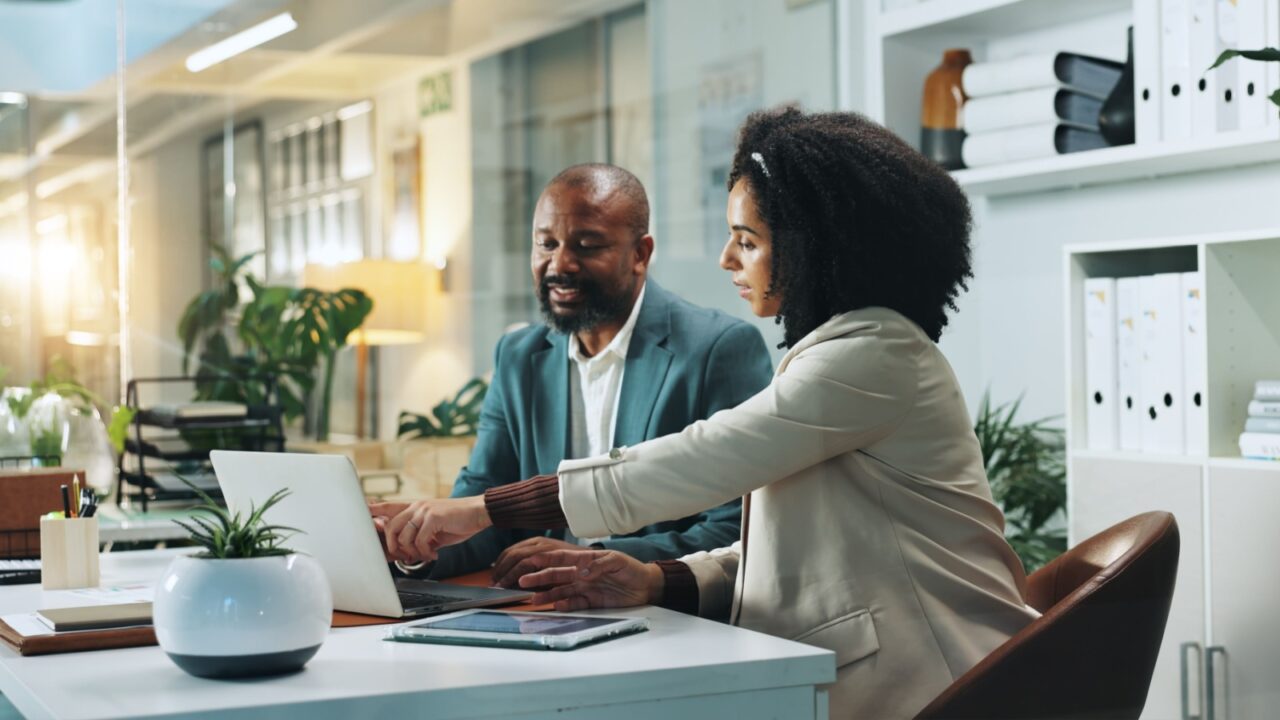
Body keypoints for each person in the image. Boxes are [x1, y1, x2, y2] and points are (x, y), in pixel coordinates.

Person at [371, 108, 1038, 718]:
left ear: (814, 248)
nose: (725, 260)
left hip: (943, 682)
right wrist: (655, 579)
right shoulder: (838, 352)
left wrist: (487, 509)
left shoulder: (876, 355)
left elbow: (694, 461)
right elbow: (784, 555)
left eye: (746, 242)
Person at [394, 163, 773, 580]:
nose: (561, 264)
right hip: (537, 613)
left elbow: (738, 526)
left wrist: (595, 559)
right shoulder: (519, 356)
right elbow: (482, 508)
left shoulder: (718, 349)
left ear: (640, 255)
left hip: (662, 615)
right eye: (546, 244)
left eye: (587, 245)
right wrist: (413, 548)